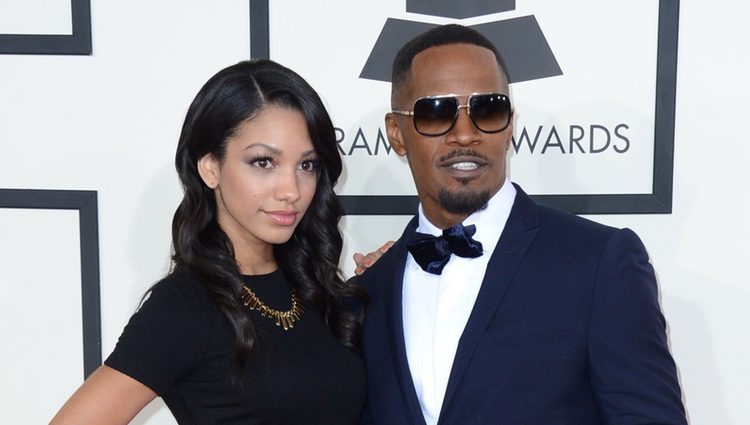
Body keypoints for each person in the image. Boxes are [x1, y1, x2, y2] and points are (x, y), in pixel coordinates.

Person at [355, 24, 688, 425]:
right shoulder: (366, 293)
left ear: (510, 123)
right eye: (436, 112)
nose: (465, 134)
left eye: (487, 109)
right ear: (397, 133)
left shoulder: (598, 264)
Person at [51, 59, 367, 425]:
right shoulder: (184, 306)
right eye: (263, 162)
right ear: (210, 167)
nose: (291, 190)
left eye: (306, 165)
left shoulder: (316, 289)